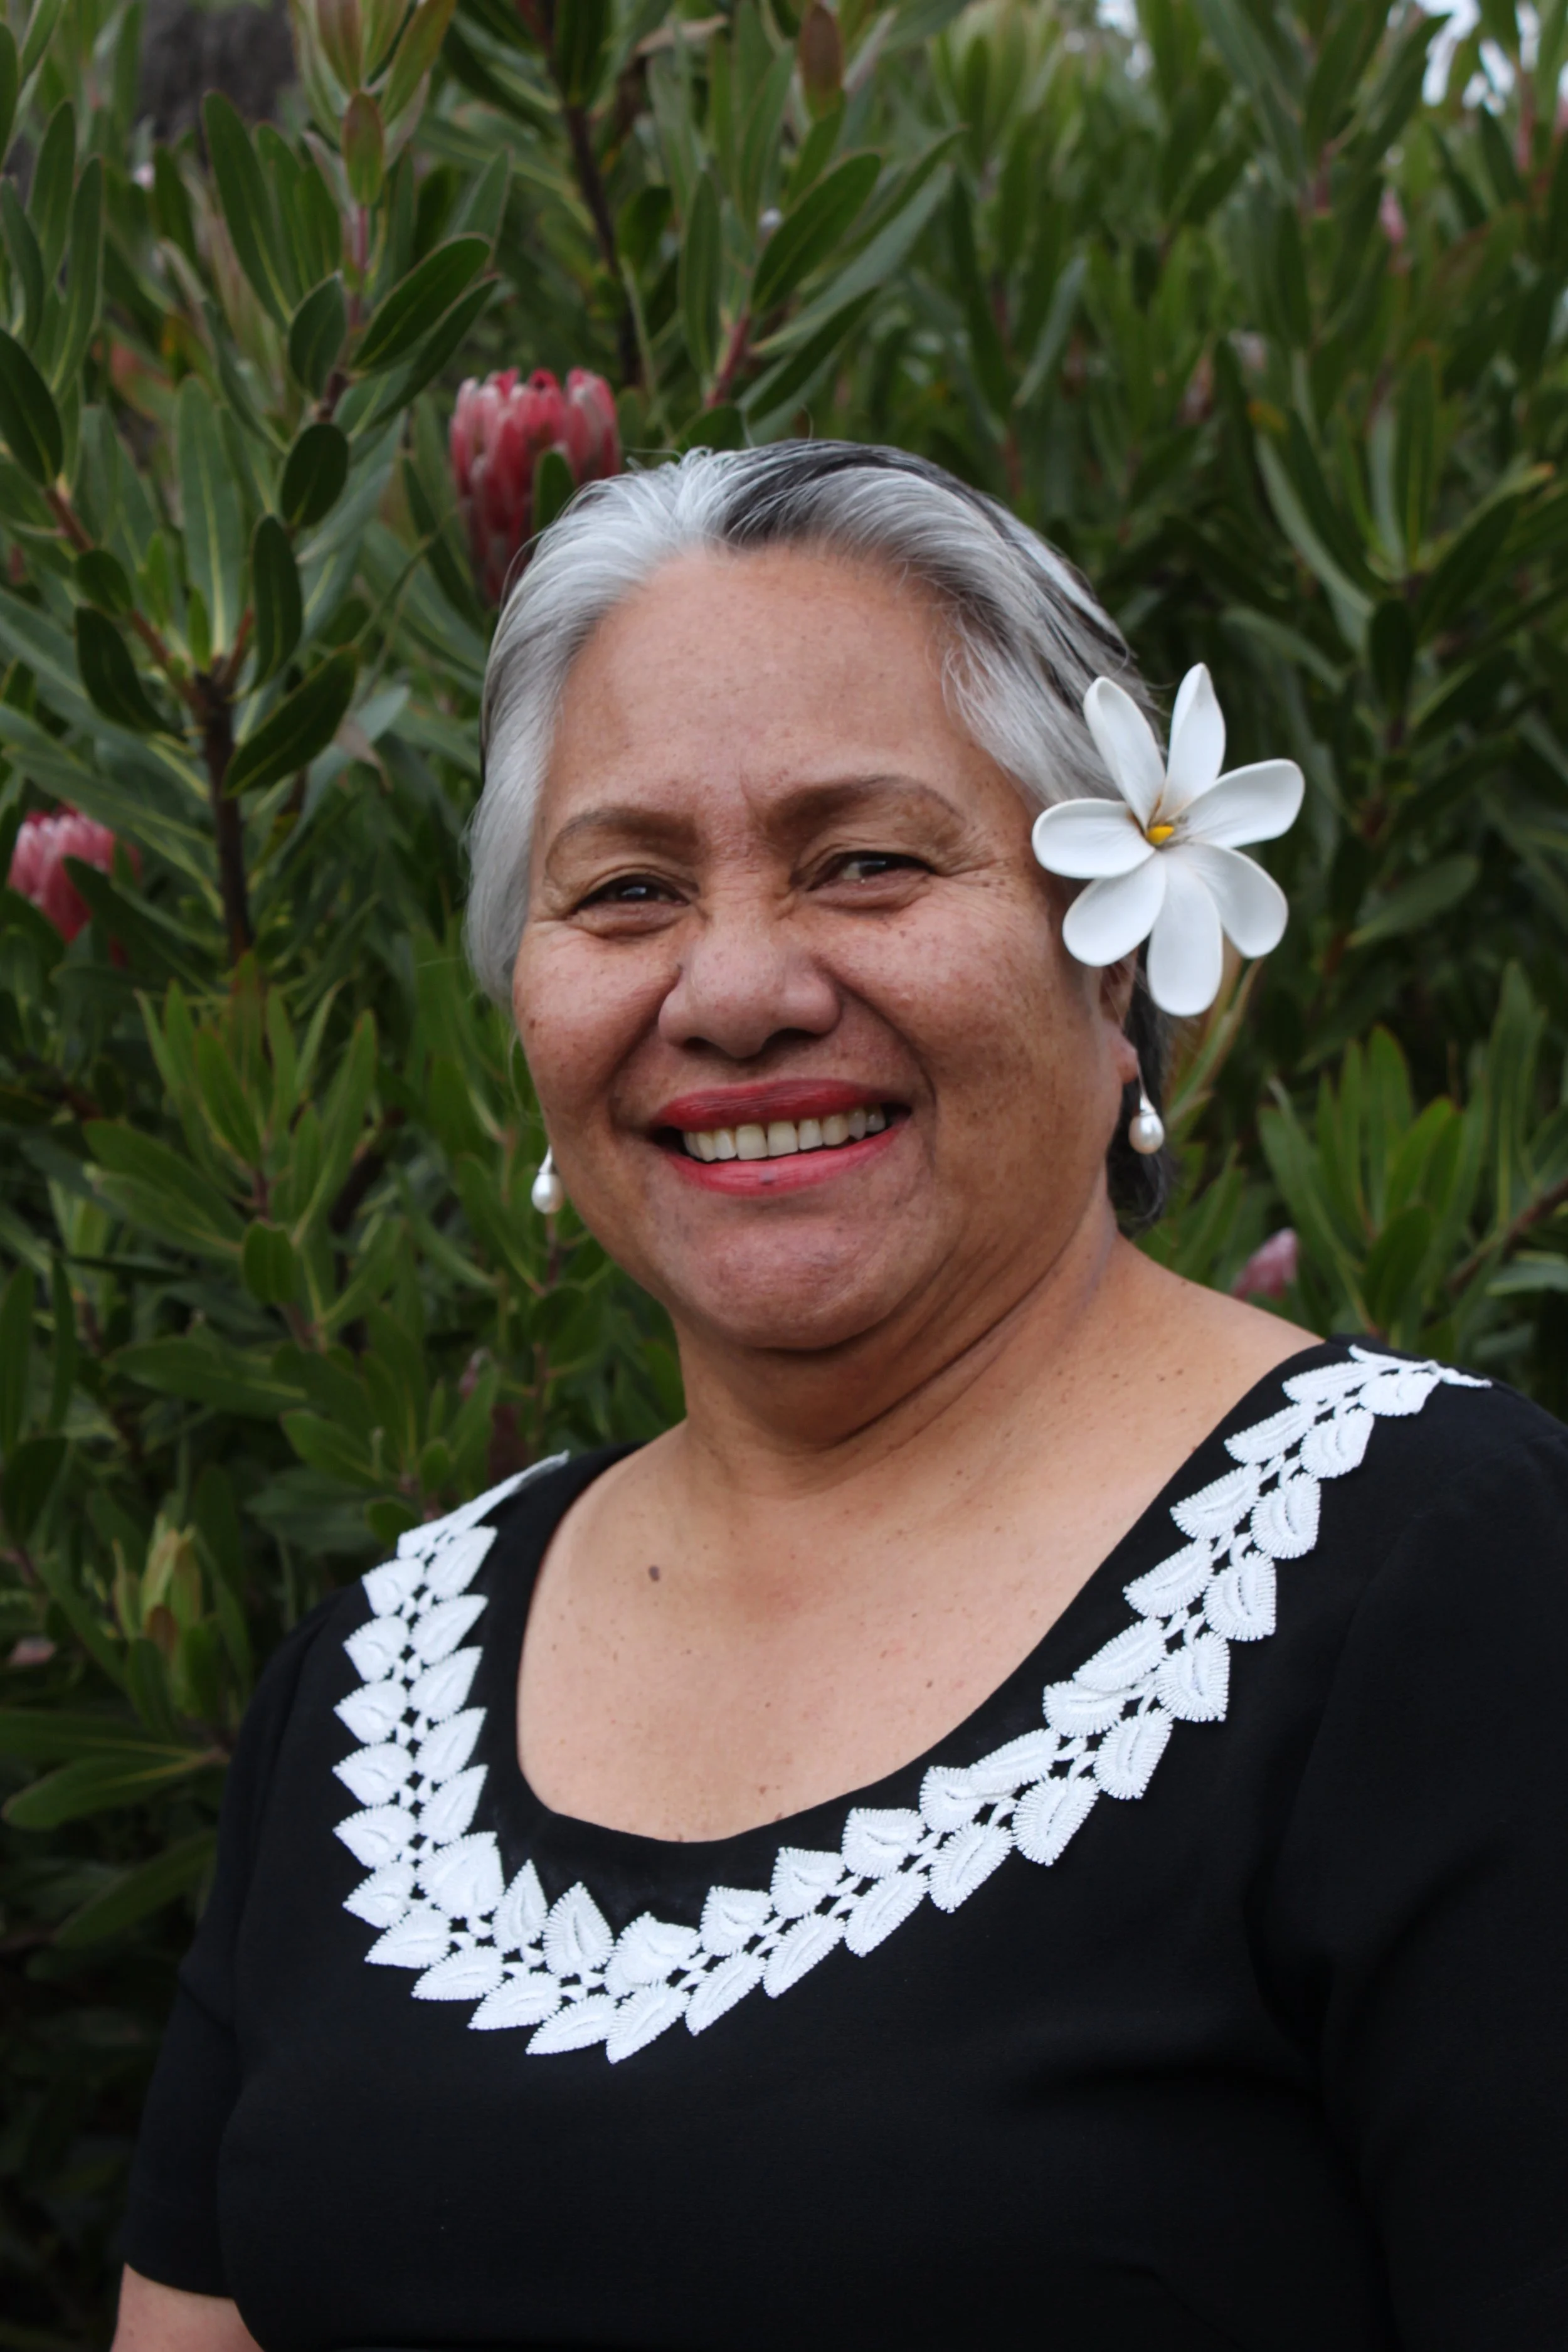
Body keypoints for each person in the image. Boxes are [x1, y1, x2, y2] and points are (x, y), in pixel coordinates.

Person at [115, 445, 1568, 2352]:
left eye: (863, 859)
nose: (730, 987)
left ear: (1113, 954)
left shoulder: (1445, 1579)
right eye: (624, 887)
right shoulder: (373, 1683)